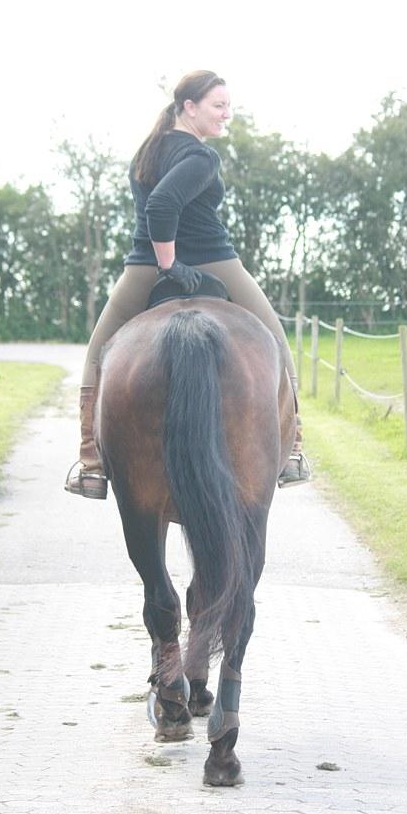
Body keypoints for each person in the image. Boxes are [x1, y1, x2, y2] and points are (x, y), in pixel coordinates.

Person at [64, 69, 311, 499]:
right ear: (189, 107)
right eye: (219, 106)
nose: (227, 115)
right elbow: (162, 204)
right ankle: (293, 452)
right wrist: (171, 265)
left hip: (141, 267)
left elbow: (153, 204)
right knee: (275, 340)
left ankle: (91, 463)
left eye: (228, 106)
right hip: (213, 261)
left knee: (98, 354)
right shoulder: (201, 157)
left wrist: (160, 263)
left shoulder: (147, 151)